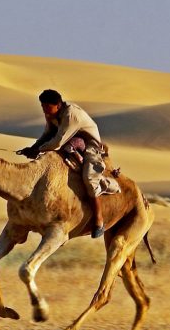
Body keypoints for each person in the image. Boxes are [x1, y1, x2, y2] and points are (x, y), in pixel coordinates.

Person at [19, 89, 120, 238]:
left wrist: (38, 149)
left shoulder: (70, 115)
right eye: (43, 106)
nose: (45, 110)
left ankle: (99, 220)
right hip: (70, 142)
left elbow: (57, 141)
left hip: (89, 144)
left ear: (58, 105)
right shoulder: (51, 115)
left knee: (89, 178)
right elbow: (47, 135)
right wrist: (33, 148)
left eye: (48, 106)